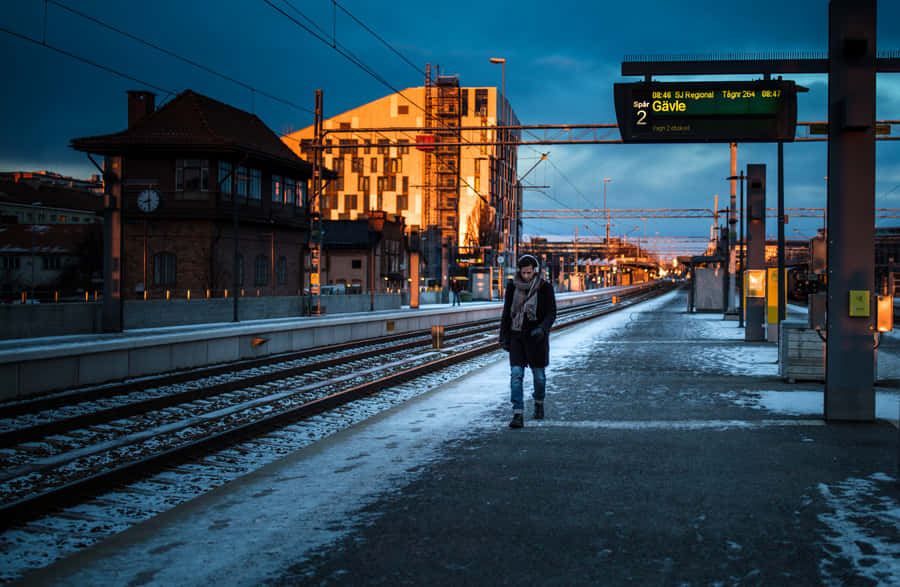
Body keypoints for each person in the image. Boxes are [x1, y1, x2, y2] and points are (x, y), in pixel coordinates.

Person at [498, 254, 557, 428]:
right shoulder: (512, 287)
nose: (526, 276)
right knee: (516, 375)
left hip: (536, 338)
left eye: (529, 272)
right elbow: (506, 313)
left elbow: (551, 313)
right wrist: (503, 336)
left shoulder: (545, 288)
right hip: (517, 336)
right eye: (523, 273)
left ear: (535, 271)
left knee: (539, 377)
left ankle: (539, 402)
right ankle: (518, 413)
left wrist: (542, 329)